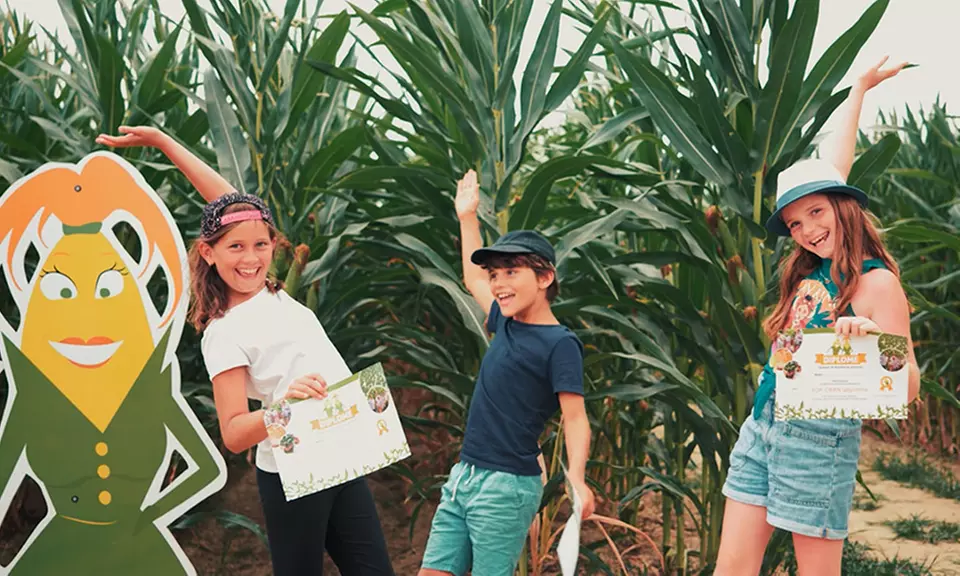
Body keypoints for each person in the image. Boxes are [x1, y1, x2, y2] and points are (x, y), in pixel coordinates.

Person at [96, 127, 395, 576]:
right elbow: (234, 433)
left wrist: (165, 143)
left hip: (341, 448)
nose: (250, 258)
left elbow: (233, 206)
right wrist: (285, 404)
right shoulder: (224, 331)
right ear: (208, 253)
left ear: (273, 245)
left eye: (260, 245)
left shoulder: (271, 290)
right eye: (234, 247)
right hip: (295, 469)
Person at [714, 57, 919, 576]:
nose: (806, 230)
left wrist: (873, 343)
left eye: (816, 213)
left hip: (817, 441)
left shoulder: (876, 283)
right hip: (762, 425)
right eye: (794, 223)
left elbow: (908, 386)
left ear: (844, 208)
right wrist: (858, 90)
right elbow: (835, 165)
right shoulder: (814, 268)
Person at [418, 169, 595, 576]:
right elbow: (471, 277)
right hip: (464, 475)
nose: (498, 283)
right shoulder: (504, 320)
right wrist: (467, 218)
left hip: (507, 486)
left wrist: (577, 478)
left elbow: (575, 418)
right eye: (495, 274)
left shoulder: (560, 344)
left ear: (545, 277)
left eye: (511, 272)